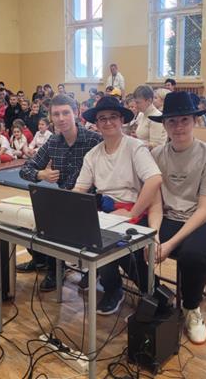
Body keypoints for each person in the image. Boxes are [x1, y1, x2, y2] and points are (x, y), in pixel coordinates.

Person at [148, 91, 206, 344]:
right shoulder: (157, 155)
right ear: (164, 125)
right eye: (172, 121)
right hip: (169, 216)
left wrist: (169, 244)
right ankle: (158, 297)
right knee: (131, 242)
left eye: (184, 120)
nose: (178, 126)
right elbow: (156, 204)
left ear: (194, 121)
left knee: (193, 255)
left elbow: (205, 209)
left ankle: (191, 308)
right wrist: (154, 235)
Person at [73, 96, 162, 314]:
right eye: (102, 118)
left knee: (114, 245)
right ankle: (113, 286)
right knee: (92, 235)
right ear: (96, 123)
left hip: (135, 210)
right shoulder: (93, 155)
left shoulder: (135, 147)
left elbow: (154, 180)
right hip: (106, 211)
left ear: (122, 120)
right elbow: (79, 189)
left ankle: (146, 291)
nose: (108, 122)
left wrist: (131, 213)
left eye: (113, 117)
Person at [19, 94, 102, 291]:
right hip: (64, 200)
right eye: (56, 114)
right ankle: (43, 261)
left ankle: (65, 268)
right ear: (51, 117)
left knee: (55, 222)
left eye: (66, 113)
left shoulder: (94, 140)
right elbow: (25, 169)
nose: (61, 118)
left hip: (93, 203)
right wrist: (41, 174)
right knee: (25, 221)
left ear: (76, 113)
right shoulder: (53, 142)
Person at [133, 85, 167, 149]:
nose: (135, 105)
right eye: (135, 102)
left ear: (149, 101)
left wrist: (134, 143)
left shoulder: (156, 117)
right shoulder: (141, 114)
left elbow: (155, 145)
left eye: (138, 102)